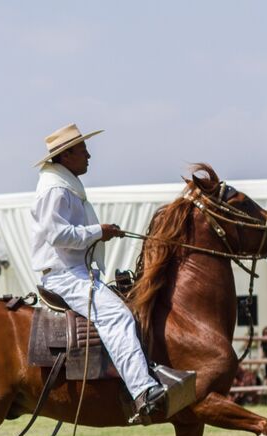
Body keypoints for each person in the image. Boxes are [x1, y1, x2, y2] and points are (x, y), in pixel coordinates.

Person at [30, 123, 165, 420]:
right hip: (64, 273)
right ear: (66, 156)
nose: (89, 156)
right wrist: (97, 231)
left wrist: (100, 233)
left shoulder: (64, 184)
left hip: (74, 269)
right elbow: (57, 235)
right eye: (83, 150)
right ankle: (142, 390)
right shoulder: (55, 189)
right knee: (116, 314)